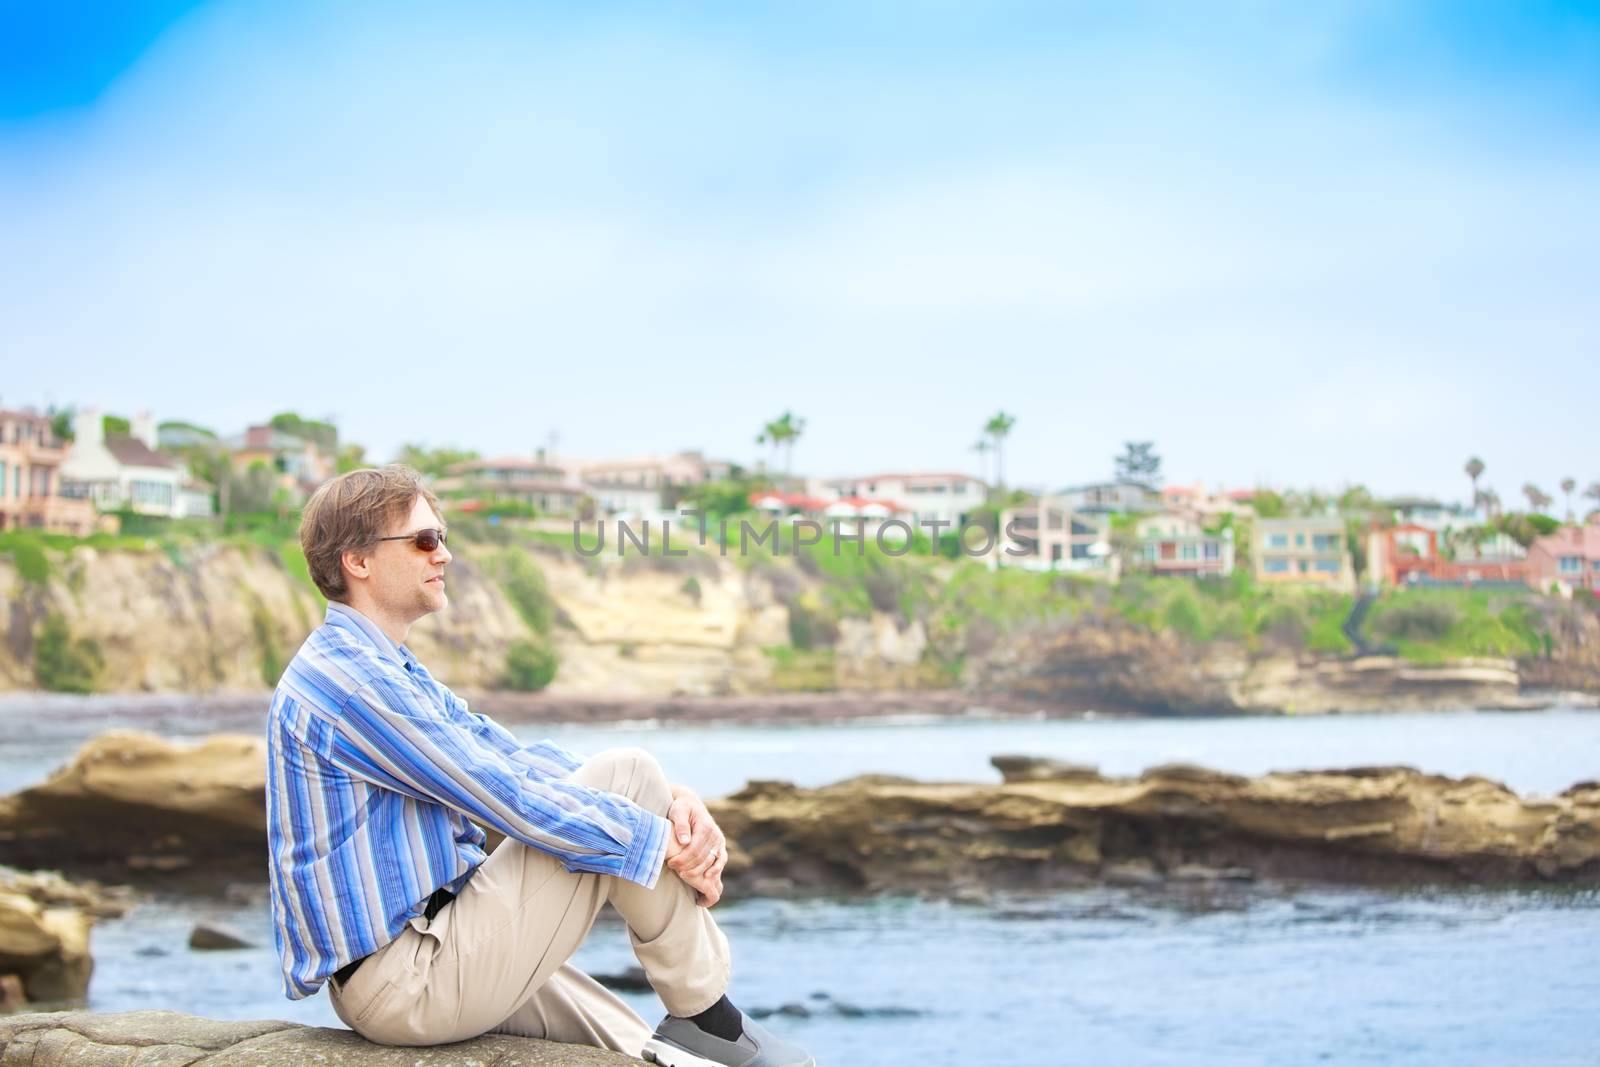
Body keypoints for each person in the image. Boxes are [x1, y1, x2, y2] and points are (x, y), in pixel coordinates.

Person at [265, 465, 813, 1067]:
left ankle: (705, 1029)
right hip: (408, 980)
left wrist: (675, 801)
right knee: (627, 772)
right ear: (358, 561)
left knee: (636, 1049)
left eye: (444, 538)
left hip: (438, 946)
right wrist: (663, 843)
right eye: (424, 540)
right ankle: (709, 1018)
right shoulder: (351, 684)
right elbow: (507, 798)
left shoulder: (383, 667)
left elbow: (514, 758)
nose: (443, 554)